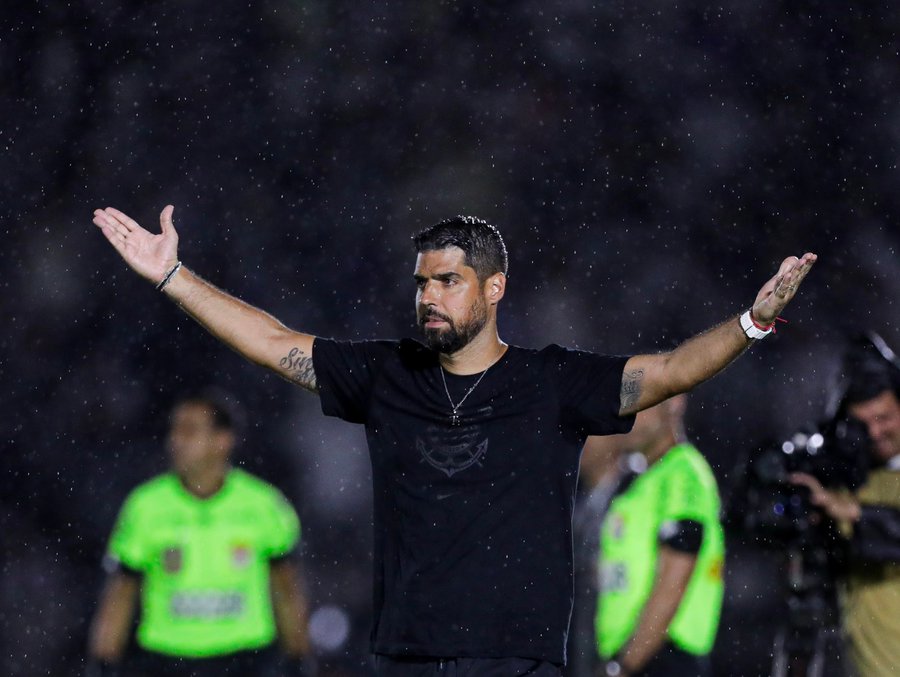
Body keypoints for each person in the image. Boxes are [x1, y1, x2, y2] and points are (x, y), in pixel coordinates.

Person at [92, 204, 816, 676]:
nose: (428, 297)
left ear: (495, 288)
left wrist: (752, 321)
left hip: (518, 661)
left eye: (447, 281)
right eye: (422, 283)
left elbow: (669, 370)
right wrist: (174, 277)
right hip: (408, 656)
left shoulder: (551, 382)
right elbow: (271, 339)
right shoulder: (388, 375)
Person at [86, 389, 312, 677]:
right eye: (174, 430)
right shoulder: (146, 506)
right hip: (167, 660)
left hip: (244, 660)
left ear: (223, 441)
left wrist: (299, 658)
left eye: (189, 431)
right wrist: (103, 662)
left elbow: (287, 589)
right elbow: (120, 592)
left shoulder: (264, 505)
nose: (175, 441)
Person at [791, 334, 900, 677]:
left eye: (884, 417)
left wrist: (852, 513)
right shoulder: (849, 478)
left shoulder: (850, 498)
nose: (875, 432)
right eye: (862, 423)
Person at [593, 395, 724, 677]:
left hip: (662, 657)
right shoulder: (640, 482)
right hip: (636, 655)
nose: (625, 416)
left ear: (673, 403)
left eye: (637, 404)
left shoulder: (683, 474)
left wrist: (624, 665)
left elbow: (675, 575)